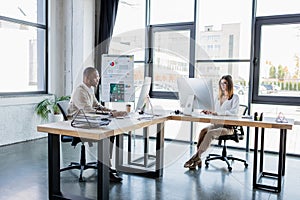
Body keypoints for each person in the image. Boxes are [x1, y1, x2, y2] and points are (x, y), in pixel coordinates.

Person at [68, 66, 125, 182]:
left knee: (111, 132)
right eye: (95, 77)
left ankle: (106, 167)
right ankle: (106, 170)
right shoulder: (80, 91)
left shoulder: (89, 89)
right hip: (79, 124)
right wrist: (111, 115)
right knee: (107, 133)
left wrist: (111, 111)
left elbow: (97, 106)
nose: (98, 80)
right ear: (87, 78)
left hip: (88, 121)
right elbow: (87, 111)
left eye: (98, 77)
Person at [184, 75, 239, 170]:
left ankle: (196, 157)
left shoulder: (235, 97)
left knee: (210, 133)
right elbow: (214, 110)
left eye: (225, 83)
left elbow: (233, 112)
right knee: (203, 131)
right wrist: (209, 111)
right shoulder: (218, 98)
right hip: (217, 124)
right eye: (221, 83)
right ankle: (198, 158)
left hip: (228, 128)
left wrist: (218, 113)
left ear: (229, 84)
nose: (223, 85)